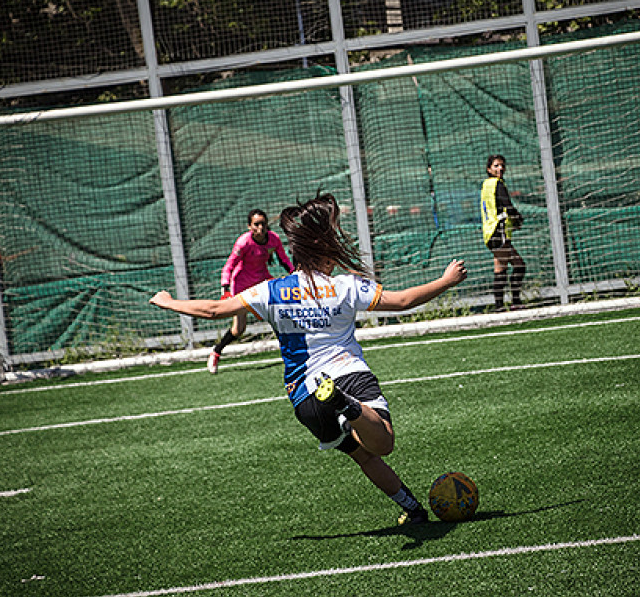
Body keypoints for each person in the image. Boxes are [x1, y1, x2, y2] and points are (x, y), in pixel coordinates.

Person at [150, 192, 467, 525]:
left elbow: (214, 310)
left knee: (363, 456)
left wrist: (169, 301)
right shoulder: (344, 286)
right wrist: (446, 280)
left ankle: (413, 508)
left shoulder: (270, 290)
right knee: (383, 443)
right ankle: (351, 407)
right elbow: (402, 301)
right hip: (347, 375)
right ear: (326, 255)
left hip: (306, 398)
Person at [208, 209, 294, 374]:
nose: (260, 228)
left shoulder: (273, 239)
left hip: (262, 281)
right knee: (238, 329)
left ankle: (291, 352)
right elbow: (230, 265)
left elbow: (283, 259)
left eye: (263, 223)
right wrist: (225, 288)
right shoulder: (243, 243)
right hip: (242, 285)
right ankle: (216, 352)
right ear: (249, 226)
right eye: (256, 224)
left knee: (280, 313)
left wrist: (294, 274)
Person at [480, 154, 526, 310]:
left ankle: (506, 303)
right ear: (488, 169)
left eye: (502, 166)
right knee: (509, 267)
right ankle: (508, 303)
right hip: (497, 231)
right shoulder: (497, 184)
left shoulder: (486, 185)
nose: (500, 168)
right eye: (496, 166)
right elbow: (507, 205)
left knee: (511, 266)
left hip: (492, 232)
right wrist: (518, 219)